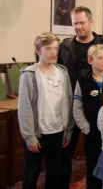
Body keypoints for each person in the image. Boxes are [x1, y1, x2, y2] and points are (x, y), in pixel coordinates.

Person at [57, 6, 103, 188]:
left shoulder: (102, 44)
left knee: (96, 154)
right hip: (69, 106)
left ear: (91, 22)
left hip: (95, 106)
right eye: (75, 23)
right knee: (65, 153)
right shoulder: (65, 46)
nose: (78, 26)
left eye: (82, 22)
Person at [18, 33, 74, 189]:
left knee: (55, 174)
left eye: (55, 48)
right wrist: (30, 137)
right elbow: (25, 108)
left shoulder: (62, 73)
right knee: (31, 174)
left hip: (57, 132)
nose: (53, 53)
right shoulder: (29, 75)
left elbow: (68, 102)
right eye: (48, 49)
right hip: (37, 134)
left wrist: (68, 131)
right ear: (38, 51)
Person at [73, 44, 103, 189]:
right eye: (100, 58)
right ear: (90, 61)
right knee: (93, 170)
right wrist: (86, 128)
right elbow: (77, 108)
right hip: (93, 133)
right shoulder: (83, 81)